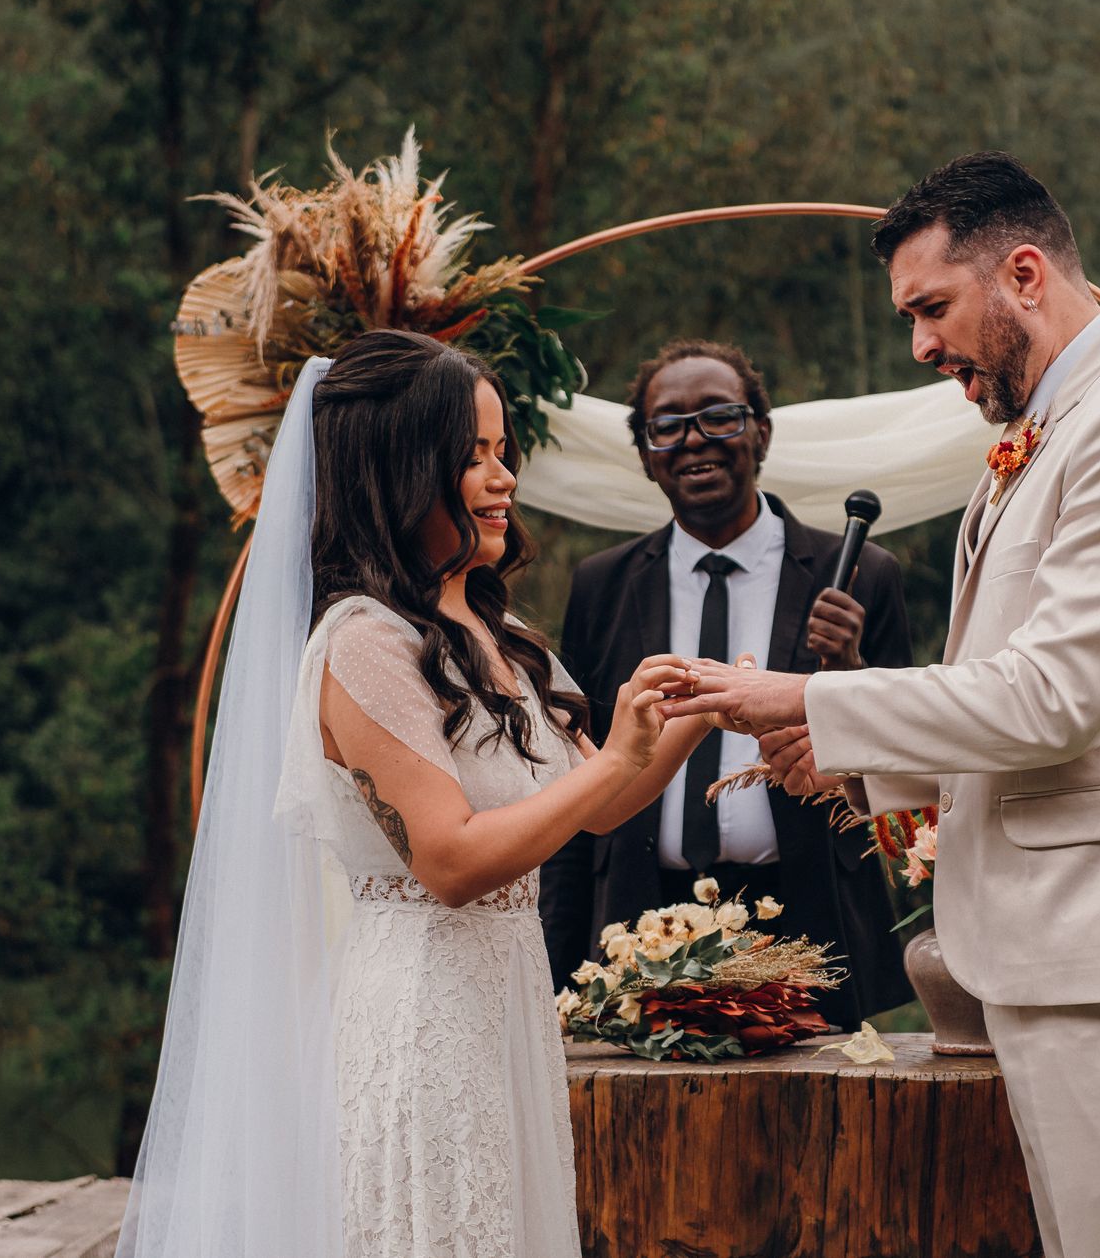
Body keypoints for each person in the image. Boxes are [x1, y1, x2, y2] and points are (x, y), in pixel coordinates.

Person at [658, 154, 1100, 1258]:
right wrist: (849, 760)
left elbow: (1055, 698)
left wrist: (808, 693)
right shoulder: (1043, 424)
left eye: (931, 308)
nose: (920, 346)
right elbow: (1008, 692)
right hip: (1062, 958)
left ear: (1024, 272)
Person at [117, 330, 715, 1258]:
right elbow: (450, 859)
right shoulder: (365, 644)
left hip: (508, 1000)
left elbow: (597, 804)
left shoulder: (495, 627)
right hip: (424, 1012)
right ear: (398, 469)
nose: (502, 477)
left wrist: (699, 713)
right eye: (470, 456)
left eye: (501, 452)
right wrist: (612, 757)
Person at [539, 339, 914, 1029]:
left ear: (761, 433)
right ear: (648, 454)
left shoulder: (858, 572)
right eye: (668, 425)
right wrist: (556, 952)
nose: (693, 440)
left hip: (807, 910)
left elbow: (906, 773)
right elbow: (576, 773)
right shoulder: (603, 585)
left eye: (719, 416)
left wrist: (850, 673)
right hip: (639, 917)